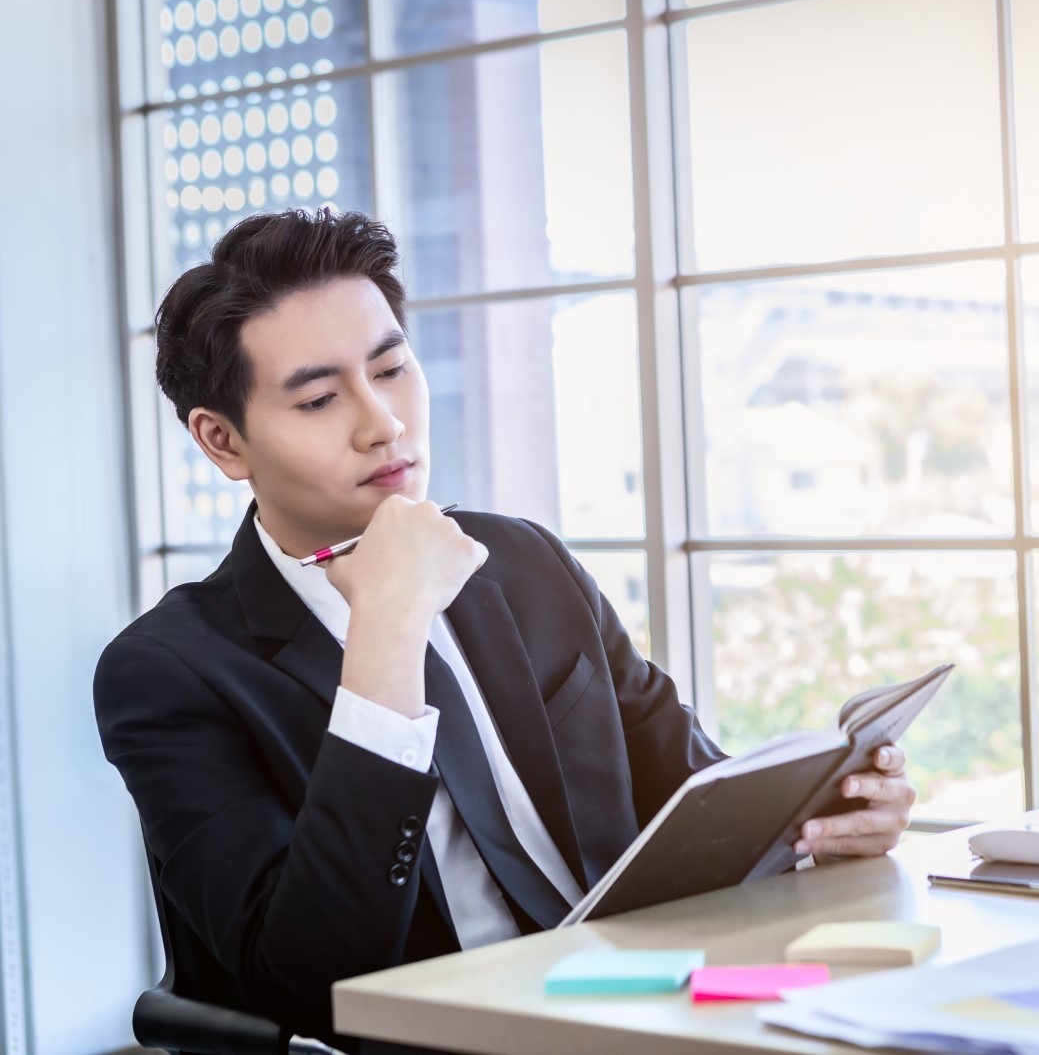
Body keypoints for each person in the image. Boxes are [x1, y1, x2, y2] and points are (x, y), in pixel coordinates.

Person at [94, 208, 916, 1045]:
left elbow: (693, 793)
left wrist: (820, 825)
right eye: (318, 398)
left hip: (649, 1007)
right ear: (223, 441)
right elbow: (307, 974)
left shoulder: (522, 561)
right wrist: (388, 629)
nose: (384, 423)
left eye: (392, 368)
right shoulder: (169, 671)